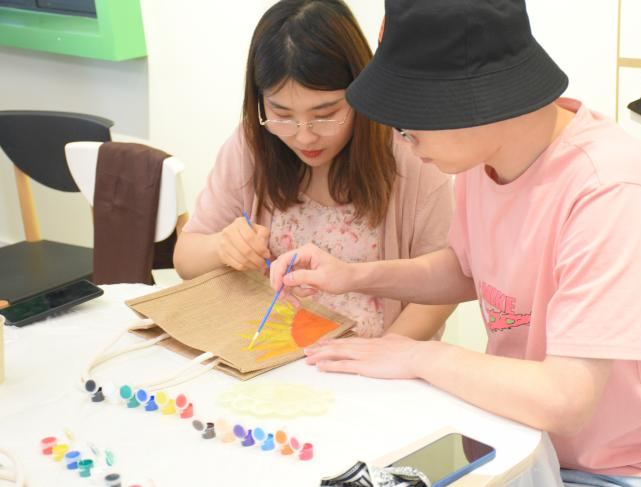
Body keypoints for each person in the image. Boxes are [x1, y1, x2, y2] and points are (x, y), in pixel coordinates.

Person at [269, 1, 641, 485]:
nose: (404, 139)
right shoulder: (485, 161)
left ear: (474, 98)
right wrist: (351, 275)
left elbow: (565, 399)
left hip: (622, 470)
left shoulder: (609, 190)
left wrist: (418, 355)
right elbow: (465, 269)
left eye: (409, 123)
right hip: (516, 435)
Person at [173, 0, 455, 339]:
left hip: (378, 358)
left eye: (325, 114)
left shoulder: (412, 153)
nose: (304, 136)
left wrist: (384, 353)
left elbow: (445, 285)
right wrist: (223, 246)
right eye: (282, 114)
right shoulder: (253, 144)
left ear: (360, 88)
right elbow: (185, 259)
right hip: (270, 354)